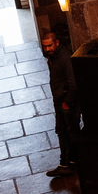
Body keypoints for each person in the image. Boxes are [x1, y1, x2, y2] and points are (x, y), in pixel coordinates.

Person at [42, 32, 79, 178]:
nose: (47, 49)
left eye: (49, 46)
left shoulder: (64, 58)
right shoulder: (53, 56)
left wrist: (66, 103)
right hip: (60, 101)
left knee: (65, 132)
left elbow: (73, 84)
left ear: (57, 43)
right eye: (45, 46)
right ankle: (73, 160)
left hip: (65, 103)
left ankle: (65, 164)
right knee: (67, 131)